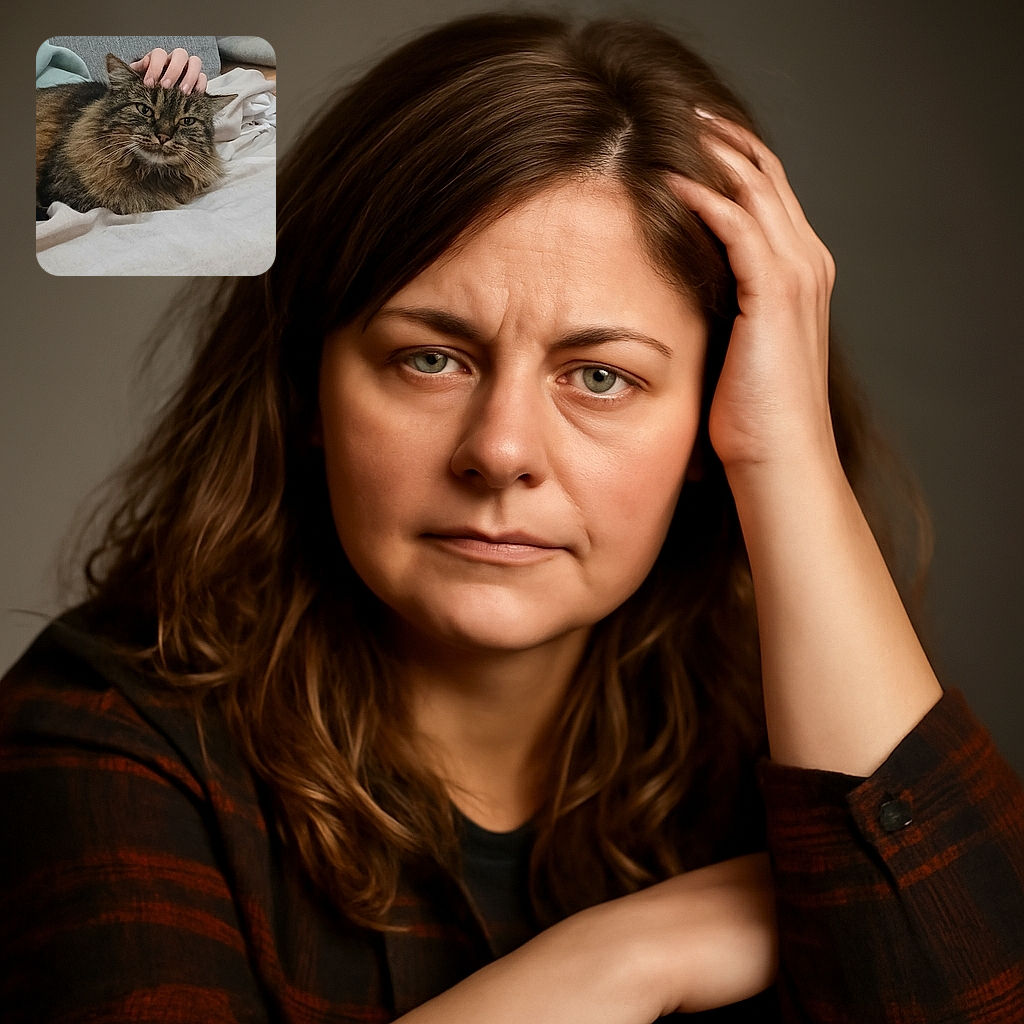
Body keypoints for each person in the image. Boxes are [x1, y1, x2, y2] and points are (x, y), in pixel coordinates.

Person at [3, 12, 1023, 1023]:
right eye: (429, 357)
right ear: (307, 388)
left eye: (600, 376)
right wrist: (626, 959)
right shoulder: (97, 734)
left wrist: (786, 455)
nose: (501, 451)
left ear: (713, 420)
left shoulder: (781, 730)